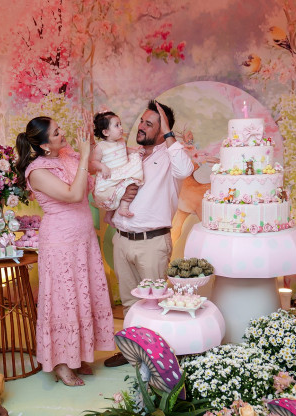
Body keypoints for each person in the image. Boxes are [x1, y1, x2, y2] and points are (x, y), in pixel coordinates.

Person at [15, 117, 115, 386]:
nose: (63, 134)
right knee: (64, 300)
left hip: (83, 240)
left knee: (83, 296)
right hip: (61, 243)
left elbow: (89, 177)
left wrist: (88, 146)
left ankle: (77, 356)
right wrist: (83, 155)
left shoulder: (66, 156)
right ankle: (60, 363)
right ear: (44, 145)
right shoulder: (37, 171)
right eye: (56, 133)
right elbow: (73, 194)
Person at [103, 100, 194, 367]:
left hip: (152, 243)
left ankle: (157, 361)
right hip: (122, 239)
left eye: (149, 124)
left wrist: (169, 133)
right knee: (129, 303)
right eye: (142, 121)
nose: (141, 127)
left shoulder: (171, 157)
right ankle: (132, 352)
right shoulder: (130, 154)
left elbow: (186, 170)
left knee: (155, 305)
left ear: (163, 129)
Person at [90, 111, 144, 223]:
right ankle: (110, 215)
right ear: (106, 132)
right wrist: (102, 167)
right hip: (110, 177)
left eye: (120, 124)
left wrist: (134, 151)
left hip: (122, 173)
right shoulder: (100, 147)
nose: (121, 128)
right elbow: (94, 162)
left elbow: (124, 150)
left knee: (130, 185)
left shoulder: (121, 141)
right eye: (117, 125)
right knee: (116, 194)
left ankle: (123, 208)